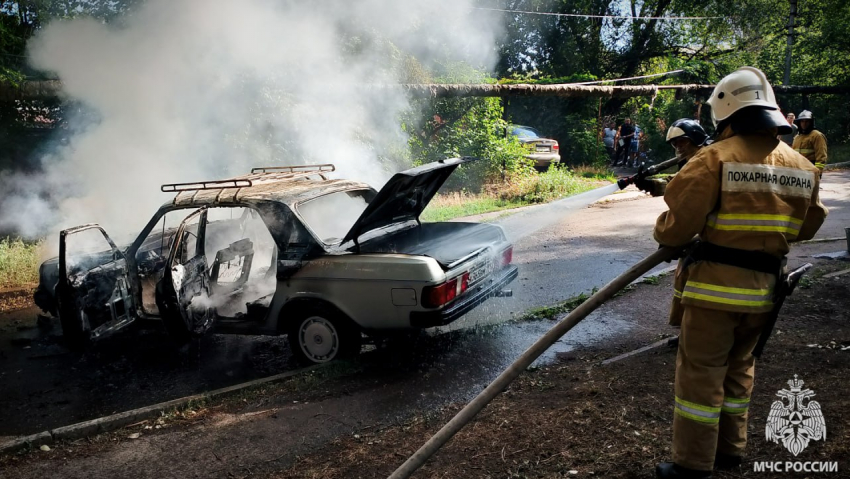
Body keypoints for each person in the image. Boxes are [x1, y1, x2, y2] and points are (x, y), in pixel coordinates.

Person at [653, 66, 827, 478]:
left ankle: (691, 466)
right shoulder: (801, 165)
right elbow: (808, 224)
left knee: (701, 377)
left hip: (714, 293)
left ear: (725, 112)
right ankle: (730, 450)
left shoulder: (713, 158)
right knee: (739, 369)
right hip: (765, 293)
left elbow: (678, 224)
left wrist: (665, 232)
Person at [637, 118, 712, 197]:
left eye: (682, 141)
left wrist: (653, 186)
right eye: (675, 144)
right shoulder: (690, 161)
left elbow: (684, 182)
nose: (678, 147)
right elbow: (678, 179)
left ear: (696, 139)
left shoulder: (707, 160)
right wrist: (652, 185)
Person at [792, 110, 828, 175]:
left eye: (807, 121)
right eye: (802, 121)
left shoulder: (817, 136)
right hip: (797, 171)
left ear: (811, 122)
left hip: (810, 171)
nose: (804, 124)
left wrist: (817, 172)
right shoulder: (797, 137)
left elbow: (821, 156)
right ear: (799, 123)